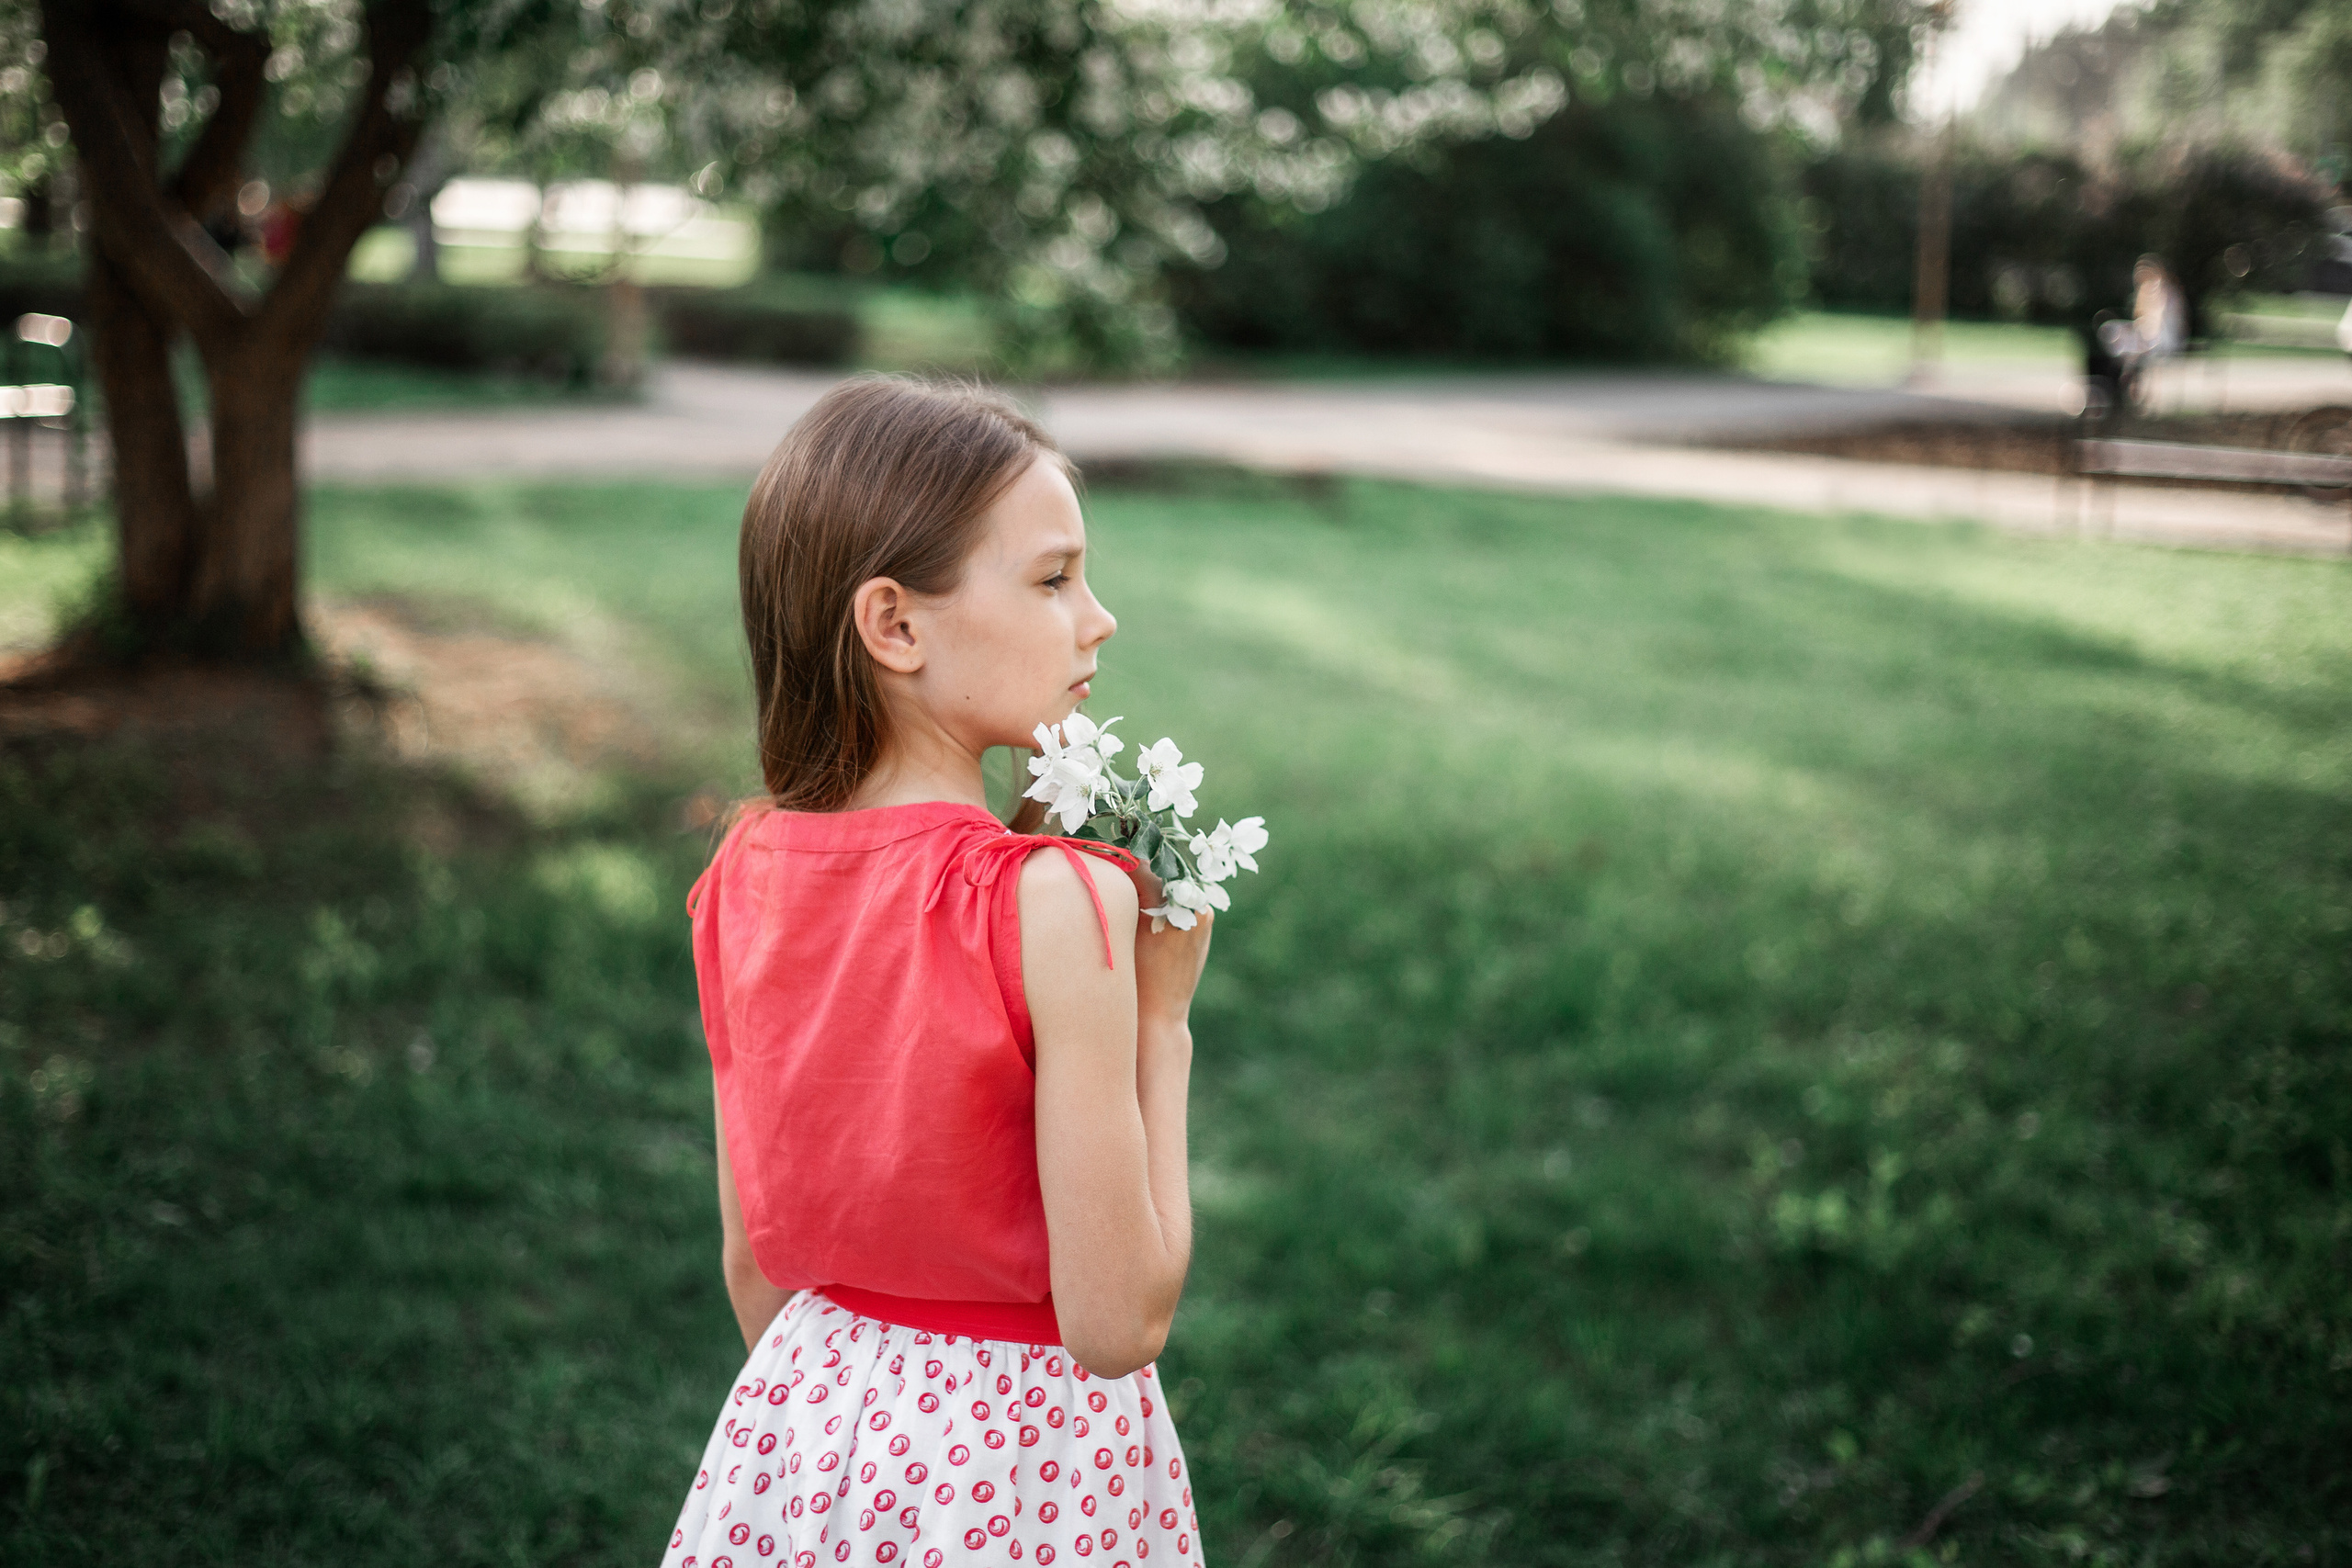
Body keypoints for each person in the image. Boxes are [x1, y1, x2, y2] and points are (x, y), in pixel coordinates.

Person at [662, 377, 1212, 1568]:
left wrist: (848, 1410)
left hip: (801, 1442)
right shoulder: (1060, 900)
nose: (1098, 617)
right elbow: (1118, 1321)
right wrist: (1161, 1025)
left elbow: (754, 1266)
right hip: (1018, 1473)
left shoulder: (744, 873)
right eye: (1055, 578)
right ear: (896, 626)